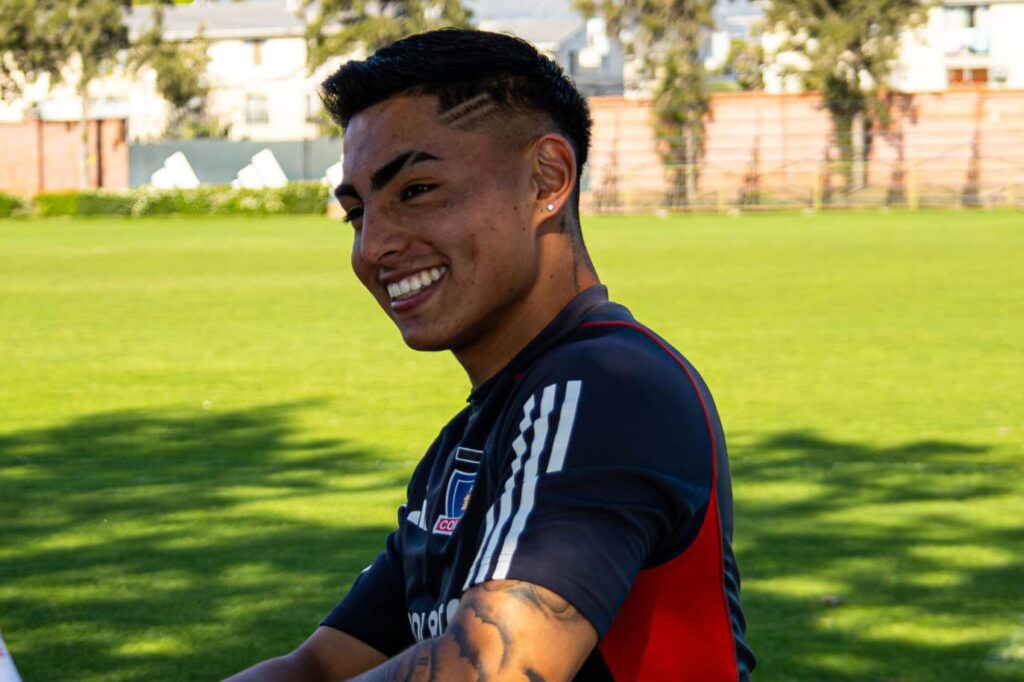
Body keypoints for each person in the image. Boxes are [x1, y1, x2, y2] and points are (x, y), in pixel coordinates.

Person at [226, 28, 755, 682]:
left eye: (417, 189)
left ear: (546, 180)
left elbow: (494, 670)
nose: (373, 247)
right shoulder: (469, 444)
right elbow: (316, 666)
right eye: (359, 212)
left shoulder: (608, 386)